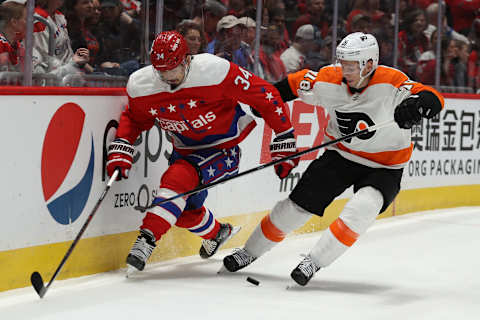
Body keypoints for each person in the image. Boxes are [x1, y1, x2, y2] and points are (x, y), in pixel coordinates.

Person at [222, 32, 444, 286]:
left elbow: (432, 97)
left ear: (369, 64)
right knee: (294, 208)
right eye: (342, 63)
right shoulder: (328, 79)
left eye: (350, 65)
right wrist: (265, 102)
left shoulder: (392, 82)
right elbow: (289, 86)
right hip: (341, 156)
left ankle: (314, 261)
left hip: (385, 166)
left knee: (363, 207)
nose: (344, 70)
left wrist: (416, 107)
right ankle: (248, 252)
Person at [106, 31, 299, 273]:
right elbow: (135, 118)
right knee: (185, 213)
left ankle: (145, 240)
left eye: (173, 69)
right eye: (160, 71)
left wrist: (285, 135)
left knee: (177, 178)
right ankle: (219, 232)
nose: (167, 77)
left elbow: (264, 95)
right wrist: (123, 143)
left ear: (187, 59)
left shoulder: (215, 71)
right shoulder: (141, 84)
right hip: (184, 150)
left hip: (223, 148)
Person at [33, 0, 90, 77]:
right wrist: (73, 62)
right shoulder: (37, 19)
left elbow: (66, 52)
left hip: (64, 76)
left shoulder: (59, 16)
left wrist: (77, 60)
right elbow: (45, 63)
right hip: (48, 80)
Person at [0, 0, 26, 71]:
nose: (30, 23)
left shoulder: (17, 46)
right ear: (14, 22)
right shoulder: (1, 45)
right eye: (26, 19)